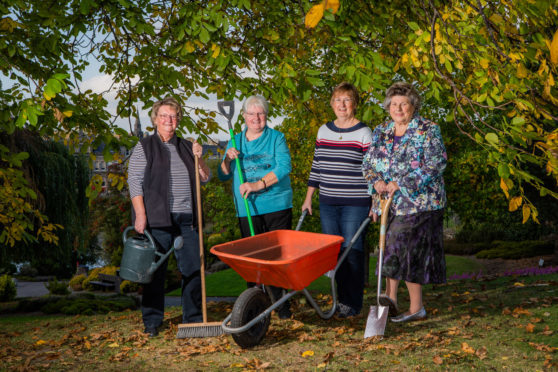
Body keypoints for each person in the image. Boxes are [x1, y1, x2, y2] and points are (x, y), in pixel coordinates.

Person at [362, 82, 447, 323]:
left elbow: (436, 163)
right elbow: (368, 165)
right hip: (390, 204)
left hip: (421, 203)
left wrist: (402, 183)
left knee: (405, 250)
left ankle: (415, 307)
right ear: (388, 106)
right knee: (390, 249)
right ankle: (390, 301)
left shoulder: (428, 129)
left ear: (413, 106)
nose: (398, 108)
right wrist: (376, 184)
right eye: (394, 104)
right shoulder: (381, 131)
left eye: (404, 104)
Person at [128, 97, 211, 337]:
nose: (168, 120)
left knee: (193, 269)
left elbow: (205, 177)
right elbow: (134, 181)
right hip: (157, 220)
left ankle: (193, 320)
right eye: (163, 116)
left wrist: (200, 157)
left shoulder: (187, 146)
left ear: (178, 120)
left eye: (173, 116)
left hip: (187, 219)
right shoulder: (145, 146)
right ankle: (152, 322)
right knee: (154, 273)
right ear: (155, 119)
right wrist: (140, 214)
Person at [218, 95, 294, 319]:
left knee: (276, 258)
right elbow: (223, 175)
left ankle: (282, 306)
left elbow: (284, 167)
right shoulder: (235, 140)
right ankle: (254, 305)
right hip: (247, 209)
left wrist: (258, 184)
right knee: (252, 259)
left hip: (276, 206)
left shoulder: (276, 138)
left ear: (266, 116)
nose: (256, 118)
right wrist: (228, 160)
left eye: (260, 113)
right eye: (251, 114)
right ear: (243, 116)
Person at [301, 82, 372, 318]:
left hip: (356, 202)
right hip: (328, 202)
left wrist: (376, 203)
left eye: (347, 100)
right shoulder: (324, 130)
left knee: (352, 249)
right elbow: (317, 166)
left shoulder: (364, 133)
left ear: (355, 104)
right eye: (338, 100)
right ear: (332, 104)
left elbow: (372, 171)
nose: (342, 104)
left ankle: (353, 302)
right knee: (334, 252)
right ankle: (341, 301)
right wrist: (309, 198)